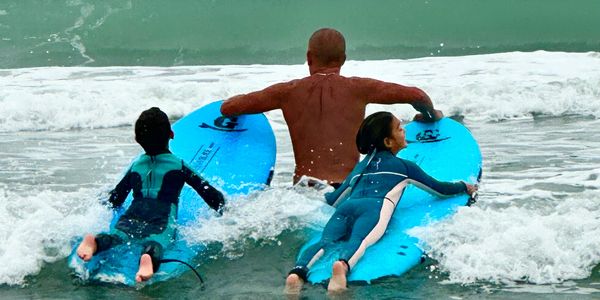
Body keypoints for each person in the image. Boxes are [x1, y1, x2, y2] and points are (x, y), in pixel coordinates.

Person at [284, 112, 477, 294]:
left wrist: (320, 189)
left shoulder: (360, 167)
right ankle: (342, 266)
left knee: (325, 241)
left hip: (346, 208)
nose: (404, 131)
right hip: (374, 209)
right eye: (400, 128)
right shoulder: (404, 167)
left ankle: (297, 273)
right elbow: (439, 189)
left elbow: (334, 200)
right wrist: (463, 187)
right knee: (359, 240)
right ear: (388, 141)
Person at [221, 28, 443, 187]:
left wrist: (238, 97)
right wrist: (430, 115)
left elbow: (229, 108)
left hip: (303, 192)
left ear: (309, 57)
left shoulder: (287, 92)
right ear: (343, 59)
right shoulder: (358, 88)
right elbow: (417, 95)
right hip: (346, 190)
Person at [76, 107, 225, 283]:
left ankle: (95, 242)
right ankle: (147, 260)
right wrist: (223, 208)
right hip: (161, 216)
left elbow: (116, 198)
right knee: (156, 242)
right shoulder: (178, 165)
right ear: (171, 134)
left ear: (137, 140)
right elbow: (208, 193)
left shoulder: (136, 166)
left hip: (134, 212)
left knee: (118, 236)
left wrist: (104, 200)